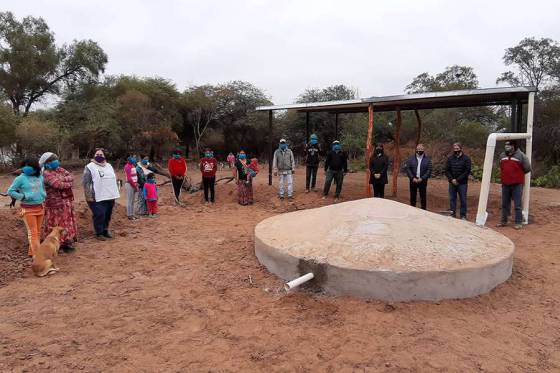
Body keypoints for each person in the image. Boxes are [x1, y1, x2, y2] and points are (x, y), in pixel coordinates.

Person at [39, 152, 78, 253]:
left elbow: (71, 178)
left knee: (66, 223)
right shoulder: (46, 174)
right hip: (54, 205)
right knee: (56, 224)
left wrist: (63, 180)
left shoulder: (59, 170)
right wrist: (65, 182)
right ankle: (57, 245)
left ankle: (66, 242)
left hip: (66, 202)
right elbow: (58, 185)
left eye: (56, 159)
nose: (56, 162)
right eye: (52, 160)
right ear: (47, 163)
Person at [7, 159, 46, 256]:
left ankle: (32, 252)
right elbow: (10, 191)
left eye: (29, 165)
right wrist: (23, 196)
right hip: (28, 209)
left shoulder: (40, 177)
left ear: (35, 168)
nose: (26, 167)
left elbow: (42, 188)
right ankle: (38, 256)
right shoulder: (20, 178)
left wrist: (43, 195)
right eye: (24, 165)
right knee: (33, 233)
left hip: (40, 207)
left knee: (37, 232)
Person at [83, 148, 120, 241]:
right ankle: (99, 233)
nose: (99, 156)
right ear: (94, 156)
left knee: (107, 214)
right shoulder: (90, 167)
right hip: (96, 196)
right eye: (97, 154)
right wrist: (88, 196)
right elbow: (86, 182)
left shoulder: (109, 166)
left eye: (101, 155)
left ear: (104, 156)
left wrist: (116, 189)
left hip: (110, 195)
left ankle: (105, 230)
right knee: (99, 214)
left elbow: (114, 178)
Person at [497, 140, 531, 229]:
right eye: (505, 145)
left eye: (508, 145)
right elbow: (501, 166)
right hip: (505, 184)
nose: (506, 147)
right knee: (504, 204)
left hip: (517, 184)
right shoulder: (502, 155)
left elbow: (527, 168)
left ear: (513, 146)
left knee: (518, 204)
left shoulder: (521, 156)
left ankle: (518, 223)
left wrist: (517, 175)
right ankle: (504, 221)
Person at [445, 143, 472, 219]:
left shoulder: (466, 159)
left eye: (457, 148)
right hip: (452, 183)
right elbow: (447, 170)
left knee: (463, 199)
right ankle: (452, 214)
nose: (456, 150)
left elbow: (467, 171)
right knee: (452, 199)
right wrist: (452, 179)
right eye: (454, 149)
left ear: (460, 149)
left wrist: (457, 180)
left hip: (462, 183)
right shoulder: (450, 158)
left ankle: (463, 215)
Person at [405, 143, 432, 210]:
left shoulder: (428, 160)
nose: (419, 150)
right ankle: (412, 209)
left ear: (424, 150)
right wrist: (412, 177)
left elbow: (429, 170)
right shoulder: (411, 159)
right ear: (416, 150)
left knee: (423, 196)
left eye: (421, 149)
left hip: (422, 180)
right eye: (418, 149)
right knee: (413, 196)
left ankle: (423, 210)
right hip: (413, 179)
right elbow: (408, 169)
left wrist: (422, 178)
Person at [124, 155, 139, 220]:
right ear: (128, 161)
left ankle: (132, 214)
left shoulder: (132, 166)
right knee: (129, 200)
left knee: (132, 200)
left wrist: (136, 184)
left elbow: (134, 176)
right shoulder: (127, 166)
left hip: (133, 184)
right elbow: (129, 179)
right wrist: (135, 186)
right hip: (130, 184)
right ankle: (129, 215)